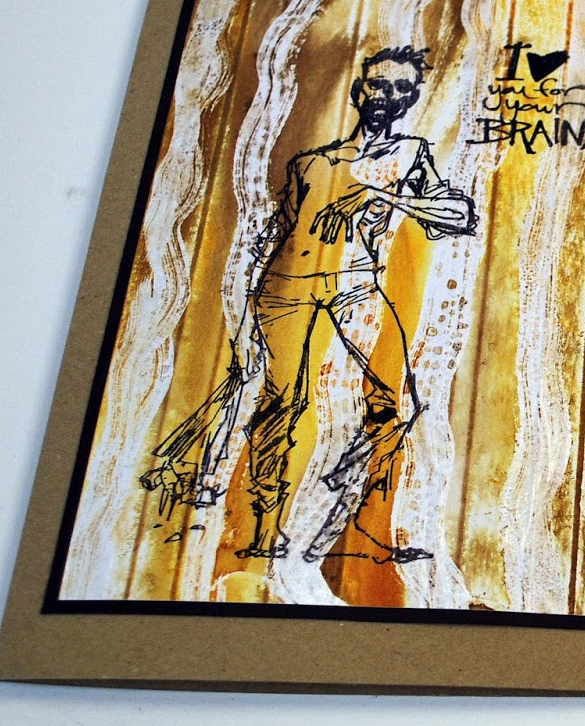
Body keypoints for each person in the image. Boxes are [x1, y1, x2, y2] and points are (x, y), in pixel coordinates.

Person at [144, 45, 477, 564]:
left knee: (386, 404)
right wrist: (245, 318)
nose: (386, 96)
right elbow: (277, 236)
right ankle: (264, 528)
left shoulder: (411, 155)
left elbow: (459, 216)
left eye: (399, 88)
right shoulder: (311, 162)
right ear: (359, 91)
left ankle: (359, 526)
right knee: (284, 403)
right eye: (377, 84)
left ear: (411, 99)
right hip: (285, 288)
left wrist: (380, 196)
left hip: (354, 289)